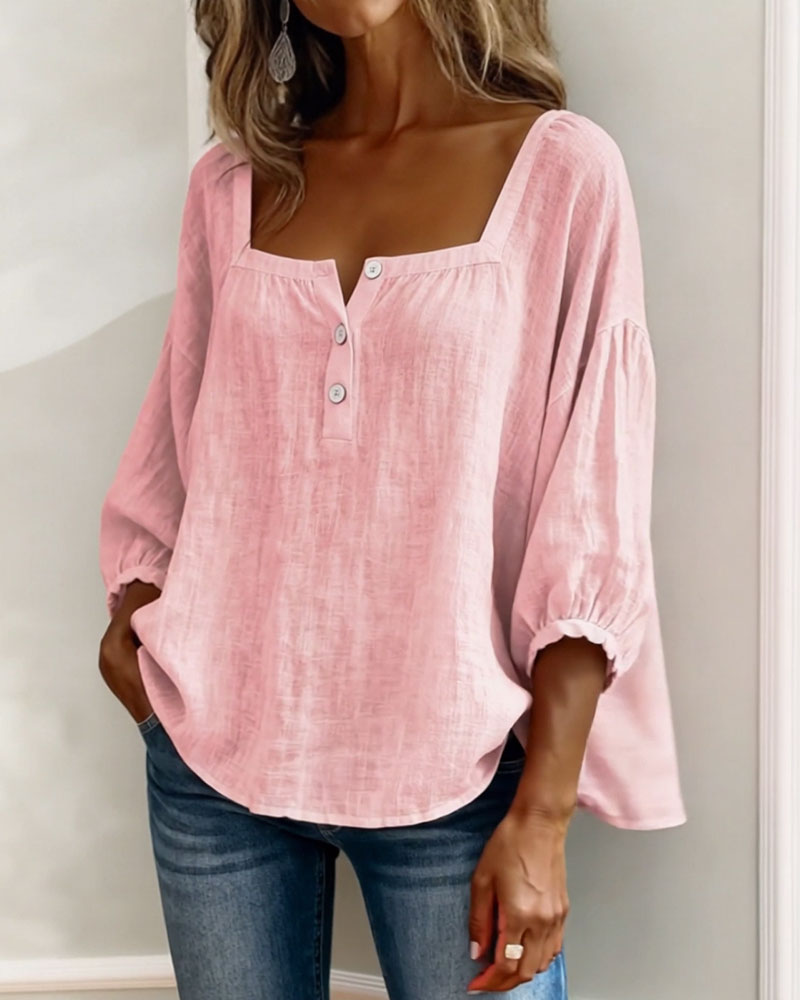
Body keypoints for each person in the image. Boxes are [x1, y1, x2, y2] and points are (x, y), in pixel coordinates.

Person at [97, 1, 686, 997]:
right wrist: (137, 628)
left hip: (455, 772)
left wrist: (543, 814)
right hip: (213, 769)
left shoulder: (559, 170)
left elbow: (592, 505)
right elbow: (177, 437)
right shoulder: (234, 180)